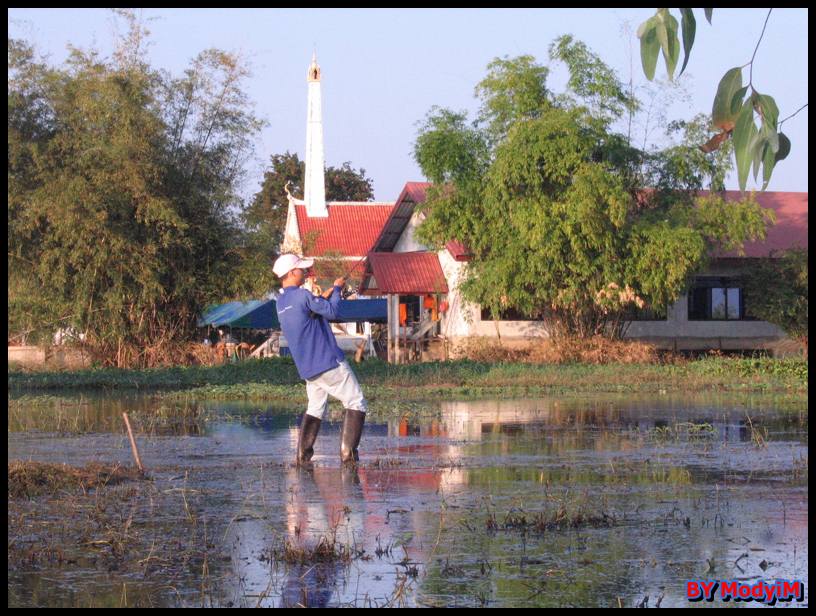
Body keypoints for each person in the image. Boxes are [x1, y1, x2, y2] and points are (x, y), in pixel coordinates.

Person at [273, 253, 367, 466]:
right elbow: (332, 312)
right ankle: (348, 457)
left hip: (308, 369)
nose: (305, 272)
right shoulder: (303, 295)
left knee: (315, 407)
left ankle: (302, 457)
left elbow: (307, 313)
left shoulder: (281, 302)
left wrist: (323, 297)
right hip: (328, 361)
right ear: (291, 273)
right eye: (302, 269)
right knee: (356, 401)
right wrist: (336, 289)